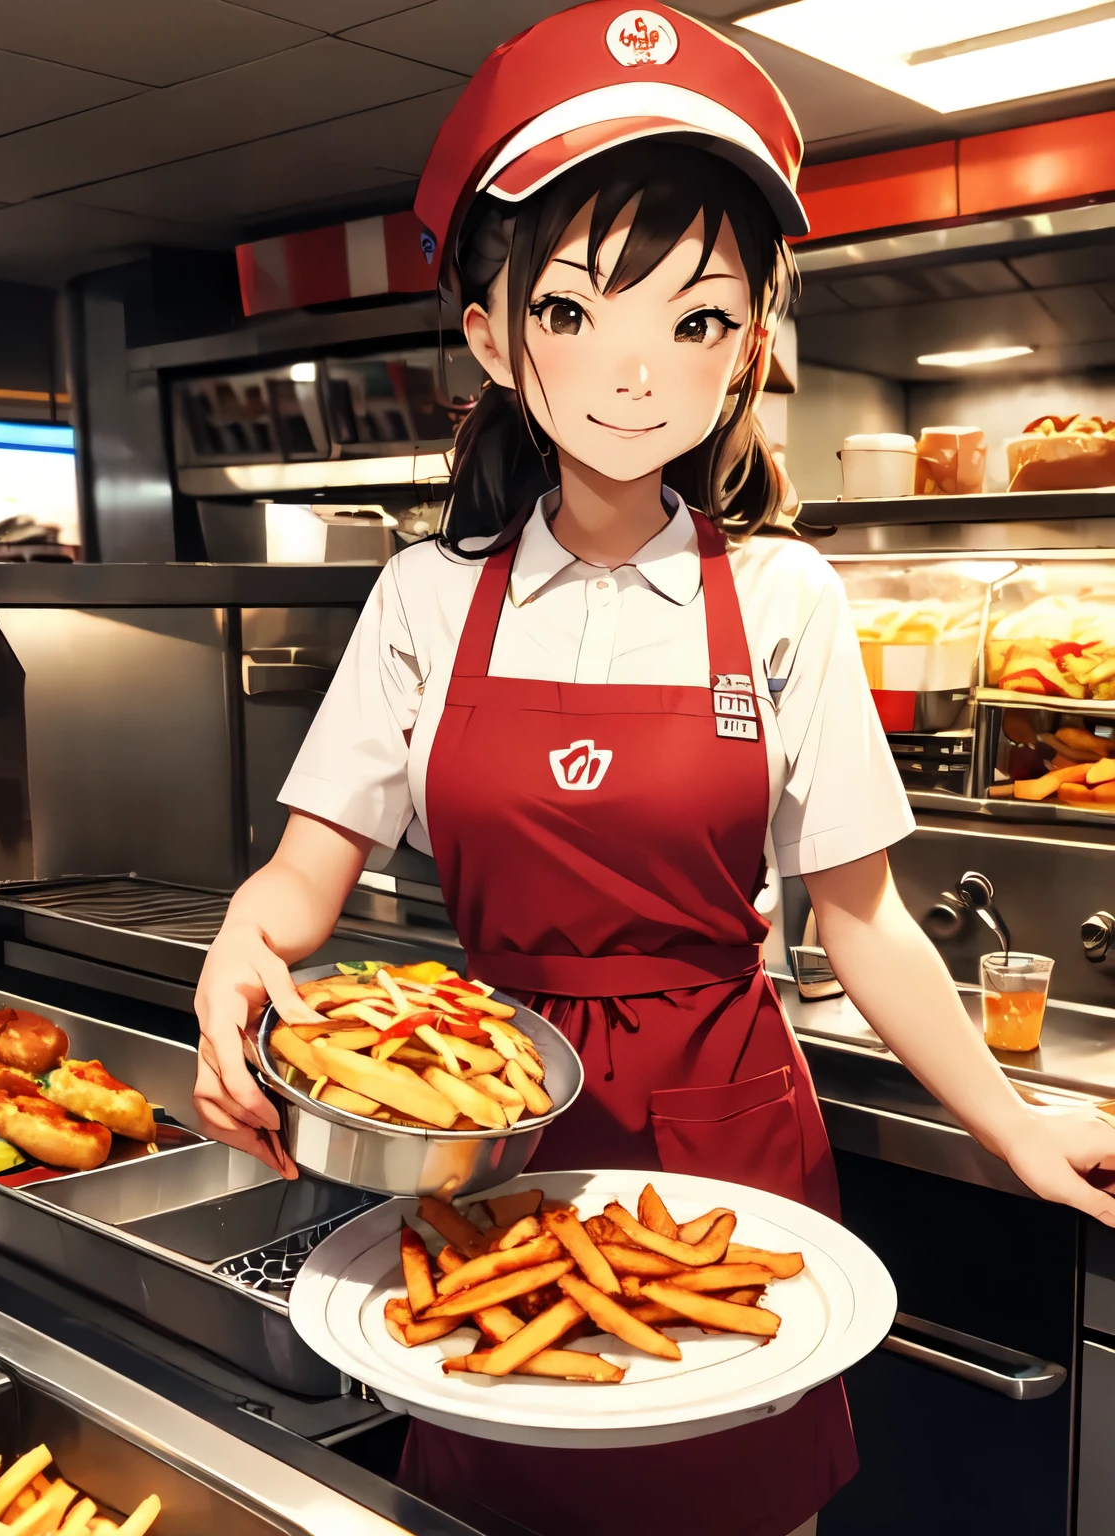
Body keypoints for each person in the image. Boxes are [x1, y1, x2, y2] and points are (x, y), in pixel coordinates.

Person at [193, 6, 1115, 1534]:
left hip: (734, 1134)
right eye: (573, 314)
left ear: (751, 342)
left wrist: (1014, 1126)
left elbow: (866, 916)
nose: (638, 373)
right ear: (492, 331)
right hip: (481, 1136)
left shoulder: (786, 595)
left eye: (695, 320)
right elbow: (302, 875)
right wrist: (241, 964)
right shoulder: (427, 597)